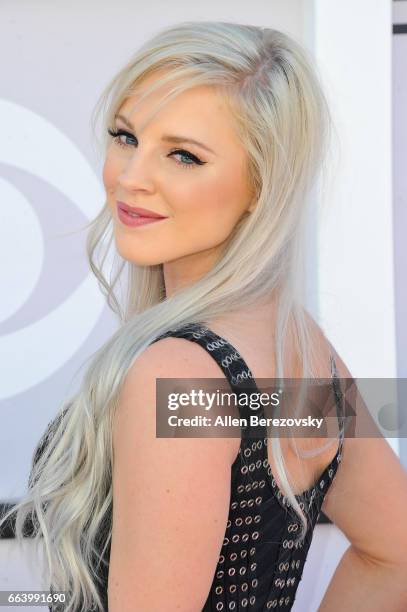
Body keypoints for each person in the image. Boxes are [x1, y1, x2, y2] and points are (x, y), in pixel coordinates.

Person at [1, 20, 407, 612]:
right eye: (126, 136)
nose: (131, 178)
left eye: (184, 156)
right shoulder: (300, 348)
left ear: (262, 186)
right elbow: (396, 557)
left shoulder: (177, 374)